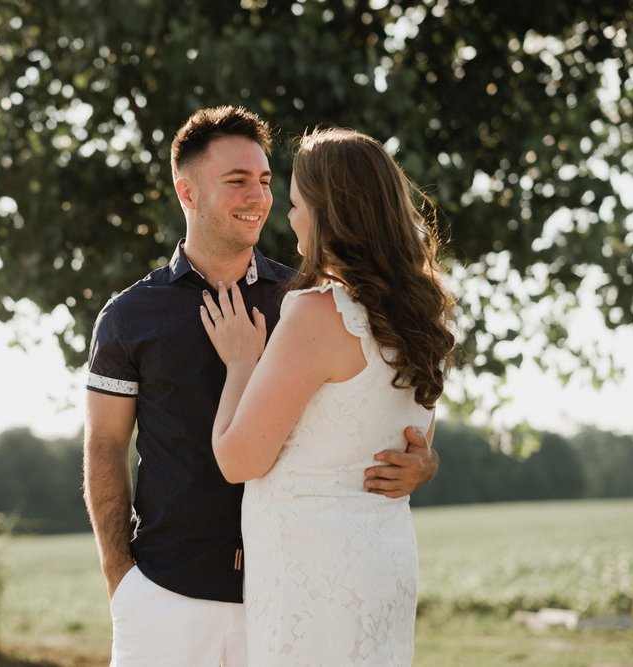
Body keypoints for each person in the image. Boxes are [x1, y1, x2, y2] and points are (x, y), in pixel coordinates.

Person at [83, 107, 439, 666]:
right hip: (167, 597)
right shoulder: (130, 316)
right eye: (237, 181)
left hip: (285, 597)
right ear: (188, 191)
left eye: (267, 181)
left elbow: (374, 407)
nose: (259, 196)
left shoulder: (306, 299)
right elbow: (104, 444)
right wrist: (120, 578)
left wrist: (422, 464)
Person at [199, 126, 456, 665]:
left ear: (328, 211)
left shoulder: (318, 312)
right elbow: (416, 443)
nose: (288, 218)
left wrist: (242, 362)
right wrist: (427, 466)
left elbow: (238, 458)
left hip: (314, 575)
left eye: (295, 204)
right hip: (383, 564)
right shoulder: (421, 313)